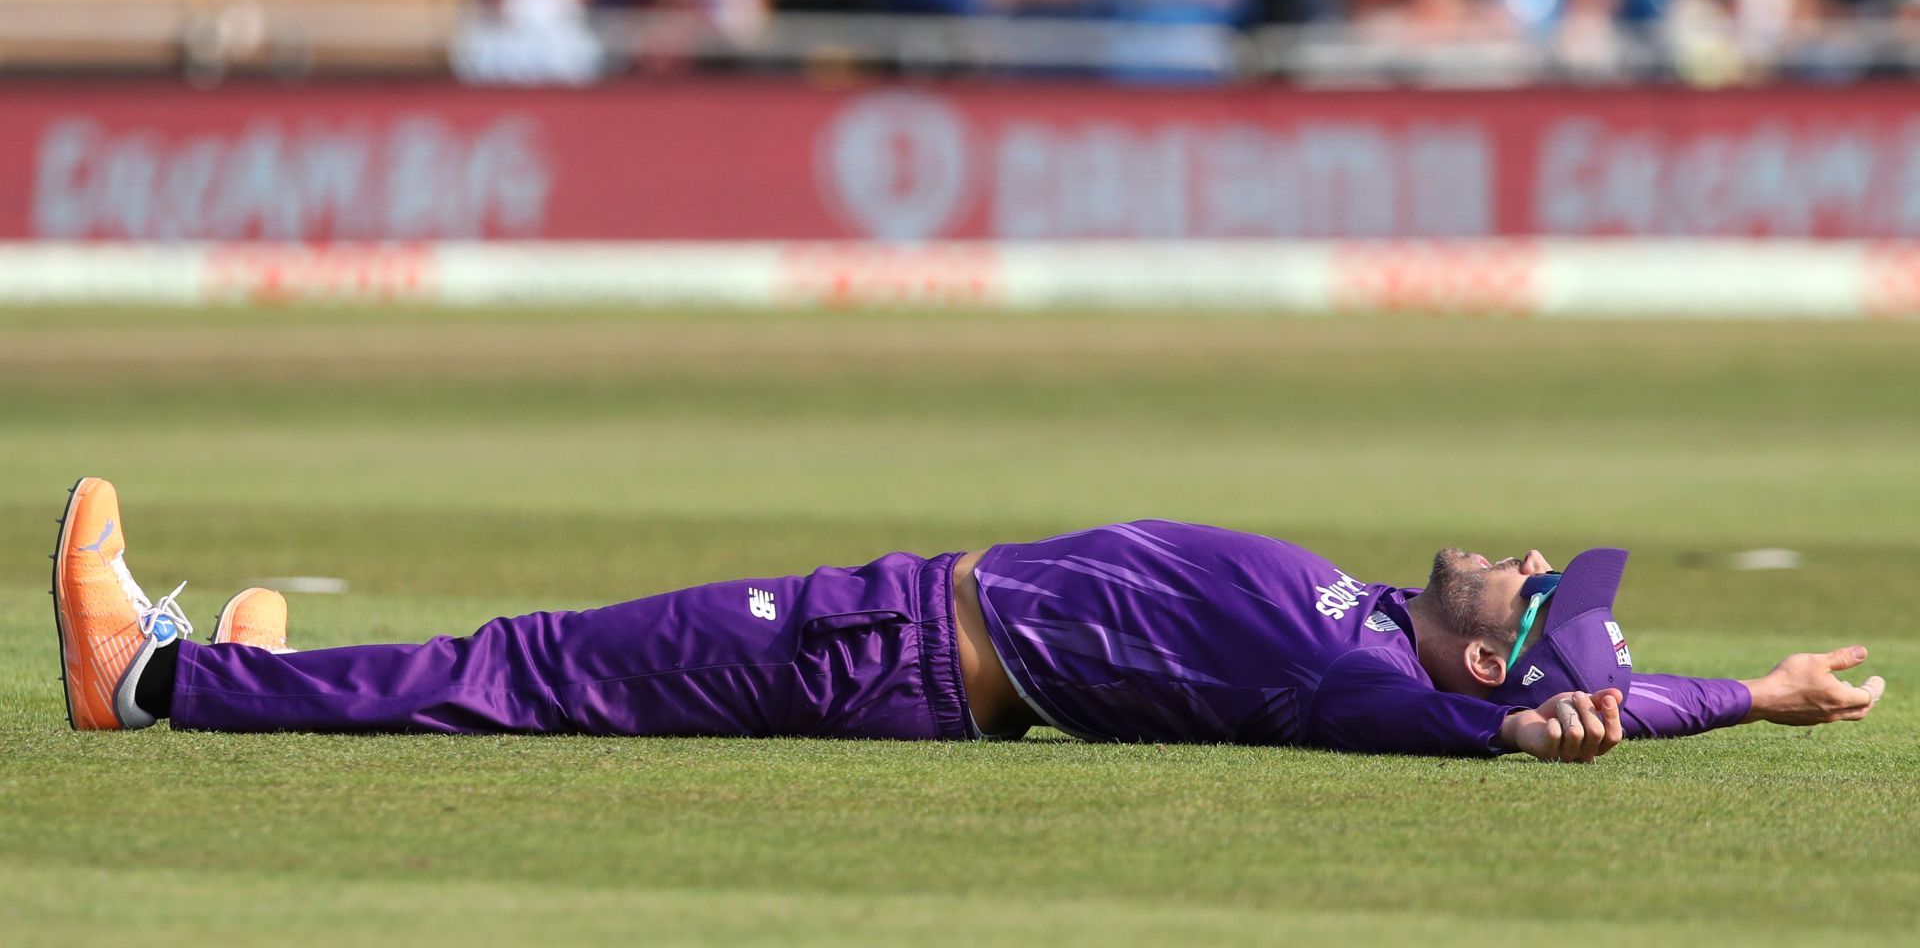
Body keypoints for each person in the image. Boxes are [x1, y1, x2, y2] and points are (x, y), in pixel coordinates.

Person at [52, 477, 1886, 762]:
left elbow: (1512, 731)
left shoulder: (1369, 678)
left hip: (885, 648)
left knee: (531, 670)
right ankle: (270, 669)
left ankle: (153, 677)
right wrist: (1765, 688)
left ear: (1488, 658)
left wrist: (1596, 719)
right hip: (908, 640)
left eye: (1533, 600)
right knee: (533, 658)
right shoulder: (1380, 617)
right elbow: (1561, 697)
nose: (1520, 557)